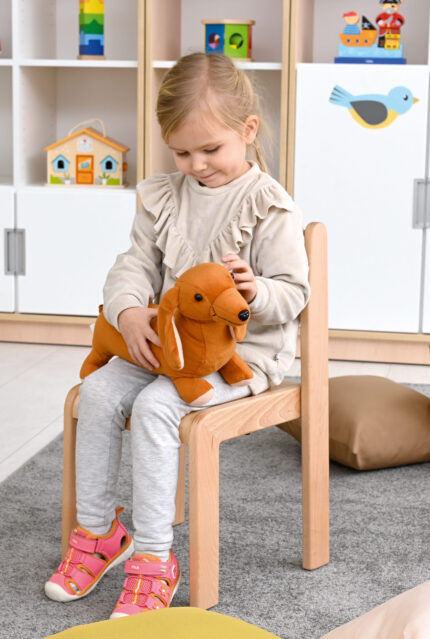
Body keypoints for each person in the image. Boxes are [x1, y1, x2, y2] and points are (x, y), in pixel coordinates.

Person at [44, 52, 310, 619]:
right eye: (182, 152)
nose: (196, 165)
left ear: (248, 130)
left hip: (242, 355)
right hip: (169, 345)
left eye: (210, 149)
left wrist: (257, 291)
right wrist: (126, 312)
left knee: (159, 407)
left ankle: (154, 557)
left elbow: (295, 294)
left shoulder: (268, 203)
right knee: (96, 392)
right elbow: (133, 265)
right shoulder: (163, 195)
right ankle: (98, 534)